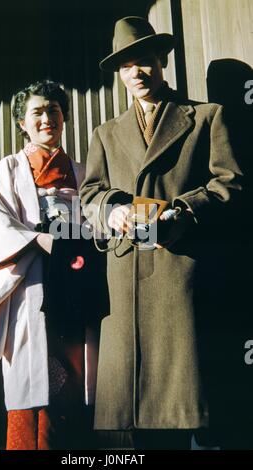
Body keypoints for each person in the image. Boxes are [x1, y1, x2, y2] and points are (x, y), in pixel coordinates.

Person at [79, 17, 243, 449]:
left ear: (162, 61)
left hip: (184, 282)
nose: (138, 72)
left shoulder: (207, 117)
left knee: (200, 418)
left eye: (146, 61)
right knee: (144, 432)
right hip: (127, 288)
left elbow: (231, 184)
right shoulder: (106, 134)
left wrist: (184, 211)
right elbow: (88, 194)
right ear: (119, 74)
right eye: (128, 66)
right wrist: (111, 211)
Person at [0, 79, 104, 450]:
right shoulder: (9, 171)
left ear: (63, 117)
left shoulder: (83, 173)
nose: (47, 118)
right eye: (37, 112)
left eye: (54, 110)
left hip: (77, 289)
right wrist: (37, 238)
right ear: (22, 122)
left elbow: (101, 220)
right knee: (35, 385)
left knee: (77, 381)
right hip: (33, 285)